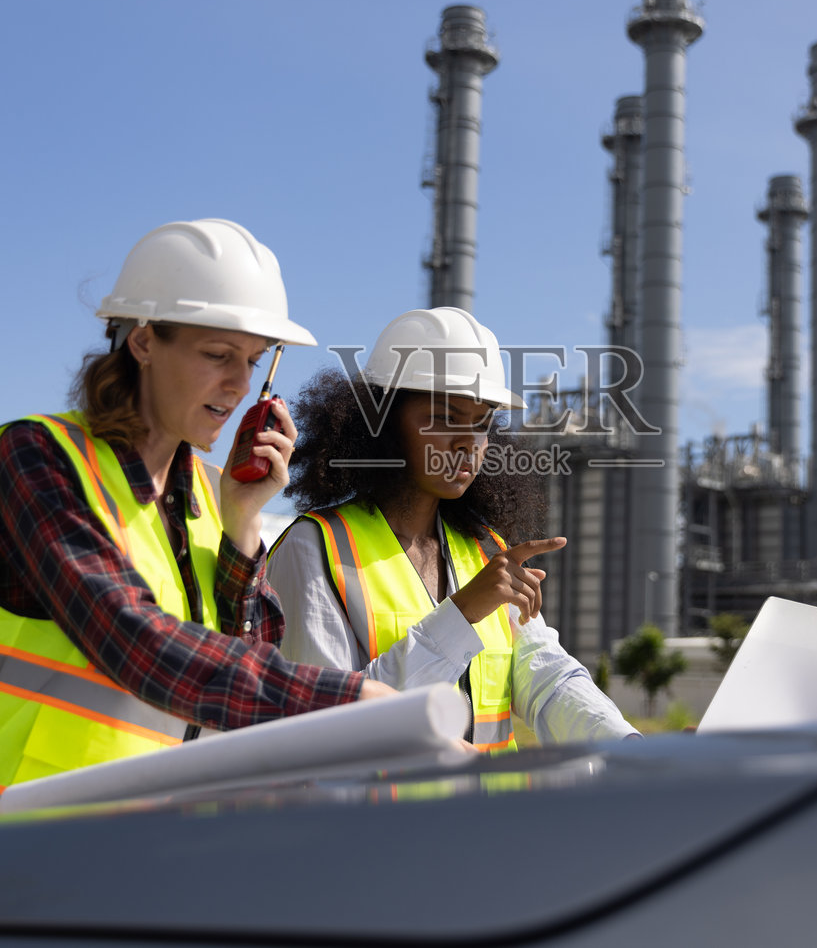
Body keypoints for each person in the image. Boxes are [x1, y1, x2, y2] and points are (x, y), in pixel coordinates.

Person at [0, 219, 392, 825]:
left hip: (123, 857)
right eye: (217, 355)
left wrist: (243, 523)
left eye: (253, 362)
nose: (238, 386)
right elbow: (136, 642)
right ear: (141, 342)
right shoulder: (37, 459)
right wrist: (347, 701)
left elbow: (239, 660)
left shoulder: (215, 498)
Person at [269, 307, 638, 750]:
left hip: (486, 819)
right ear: (382, 425)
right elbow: (324, 725)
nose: (468, 442)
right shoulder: (315, 548)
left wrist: (632, 748)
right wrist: (461, 614)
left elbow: (547, 677)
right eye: (445, 417)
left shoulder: (486, 551)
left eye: (482, 422)